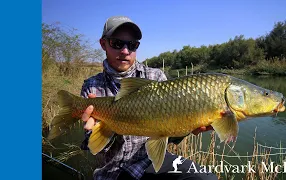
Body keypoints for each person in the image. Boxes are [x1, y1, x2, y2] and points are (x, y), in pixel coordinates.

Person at [80, 15, 218, 180]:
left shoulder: (155, 76)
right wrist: (99, 129)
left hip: (150, 162)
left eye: (132, 45)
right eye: (117, 43)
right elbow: (96, 147)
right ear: (103, 44)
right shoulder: (92, 86)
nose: (125, 51)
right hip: (112, 170)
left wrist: (188, 126)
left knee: (206, 178)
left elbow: (167, 132)